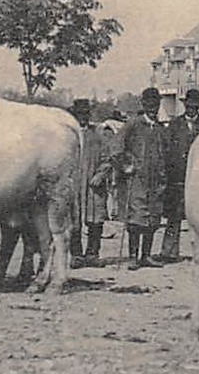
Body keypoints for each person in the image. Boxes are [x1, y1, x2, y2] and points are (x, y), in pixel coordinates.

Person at [112, 88, 168, 269]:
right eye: (149, 104)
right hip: (137, 179)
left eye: (155, 105)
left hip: (156, 180)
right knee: (136, 218)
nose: (152, 108)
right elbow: (116, 147)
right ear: (143, 104)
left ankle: (146, 255)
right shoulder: (133, 124)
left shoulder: (160, 128)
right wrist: (125, 166)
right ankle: (133, 256)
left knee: (153, 217)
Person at [160, 89, 199, 263]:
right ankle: (169, 252)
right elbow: (166, 148)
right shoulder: (175, 124)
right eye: (189, 106)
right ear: (184, 105)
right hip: (177, 176)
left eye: (195, 107)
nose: (192, 109)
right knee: (174, 216)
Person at [68, 99, 109, 268]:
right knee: (73, 218)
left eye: (85, 114)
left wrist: (100, 174)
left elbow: (107, 159)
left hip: (94, 185)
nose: (82, 117)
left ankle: (92, 253)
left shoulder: (97, 135)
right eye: (79, 114)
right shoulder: (69, 135)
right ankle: (76, 254)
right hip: (73, 183)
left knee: (95, 219)